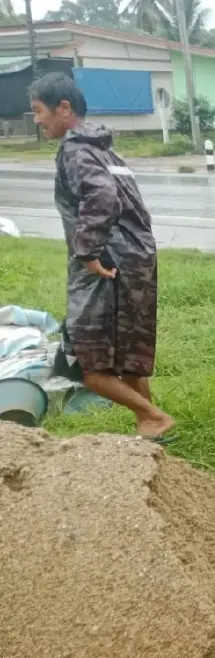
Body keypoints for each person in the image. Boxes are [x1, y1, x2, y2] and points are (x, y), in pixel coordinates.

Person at [28, 73, 174, 441]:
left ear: (64, 108)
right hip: (135, 259)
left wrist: (87, 252)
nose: (36, 120)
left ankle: (154, 417)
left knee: (87, 364)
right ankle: (151, 435)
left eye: (38, 111)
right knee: (127, 361)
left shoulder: (76, 150)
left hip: (106, 265)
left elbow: (104, 197)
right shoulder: (103, 147)